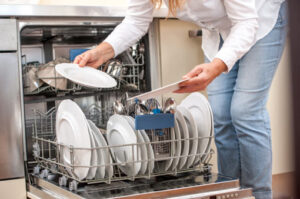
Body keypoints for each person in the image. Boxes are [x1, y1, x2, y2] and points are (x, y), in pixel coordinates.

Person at [74, 0, 287, 198]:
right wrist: (101, 52)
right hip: (221, 31)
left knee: (245, 112)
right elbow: (136, 20)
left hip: (259, 21)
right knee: (221, 114)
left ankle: (259, 194)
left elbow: (246, 21)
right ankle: (229, 191)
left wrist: (215, 67)